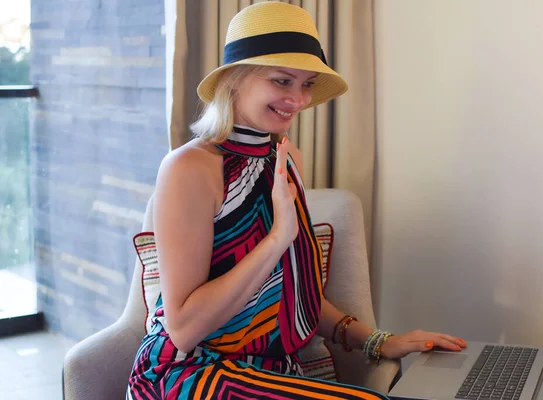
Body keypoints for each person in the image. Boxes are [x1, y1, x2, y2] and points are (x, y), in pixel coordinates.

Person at [127, 2, 467, 399]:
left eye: (306, 84)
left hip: (275, 371)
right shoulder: (189, 167)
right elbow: (184, 328)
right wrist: (275, 241)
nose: (299, 99)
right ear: (235, 80)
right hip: (191, 372)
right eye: (282, 81)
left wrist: (378, 341)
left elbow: (295, 294)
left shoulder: (287, 159)